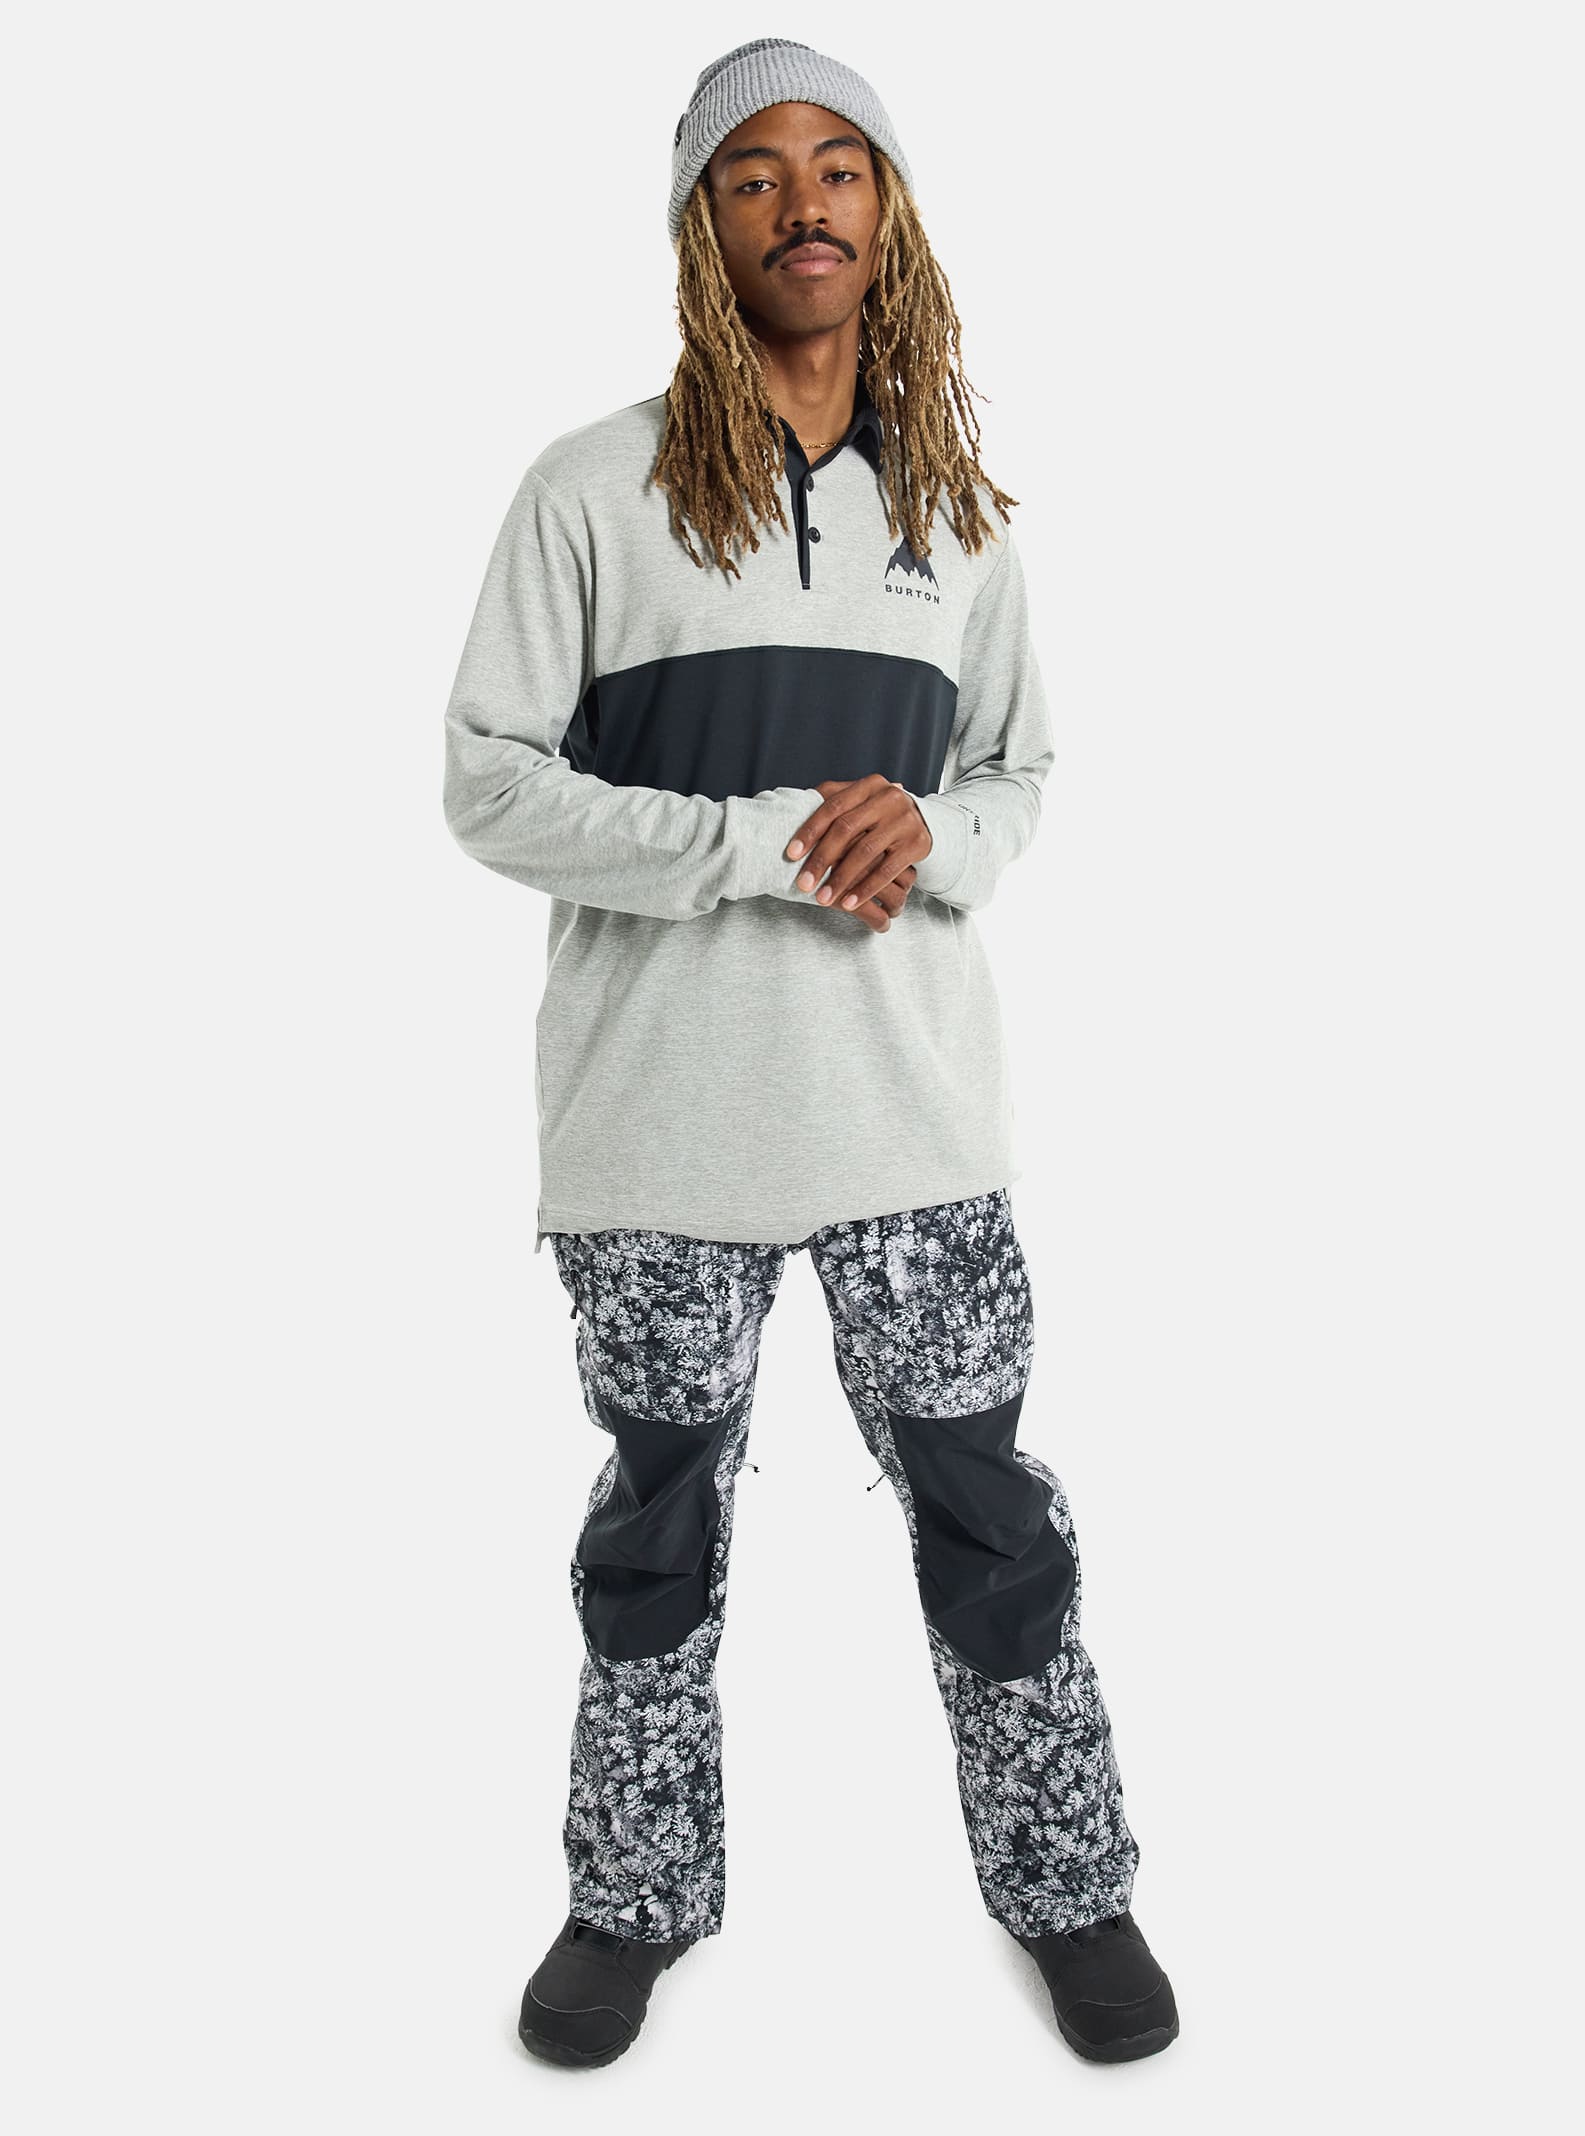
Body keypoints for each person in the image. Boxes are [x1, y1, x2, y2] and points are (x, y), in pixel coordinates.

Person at [442, 36, 1178, 2070]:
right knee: (654, 1522)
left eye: (840, 165)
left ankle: (1068, 1884)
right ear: (703, 220)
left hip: (909, 1118)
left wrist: (934, 835)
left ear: (889, 210)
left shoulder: (954, 510)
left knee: (990, 1516)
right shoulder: (585, 491)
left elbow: (1020, 774)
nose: (803, 202)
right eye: (754, 172)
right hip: (653, 1124)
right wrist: (756, 841)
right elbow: (484, 784)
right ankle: (630, 1898)